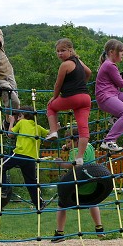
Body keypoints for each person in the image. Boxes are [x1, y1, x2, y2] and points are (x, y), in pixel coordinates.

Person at [51, 127, 104, 242]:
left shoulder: (75, 151)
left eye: (69, 142)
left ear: (77, 141)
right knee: (93, 203)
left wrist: (61, 164)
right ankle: (99, 228)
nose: (67, 144)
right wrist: (68, 147)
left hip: (78, 188)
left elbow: (75, 166)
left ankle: (59, 233)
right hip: (91, 186)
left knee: (61, 205)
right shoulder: (89, 146)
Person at [45, 38, 92, 166]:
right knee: (83, 128)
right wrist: (81, 83)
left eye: (63, 50)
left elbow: (58, 85)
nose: (60, 53)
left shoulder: (65, 65)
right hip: (85, 98)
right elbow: (89, 72)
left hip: (72, 97)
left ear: (70, 50)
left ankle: (53, 130)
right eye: (58, 51)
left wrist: (54, 97)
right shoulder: (78, 62)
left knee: (51, 107)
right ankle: (79, 158)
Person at [0, 106, 49, 209]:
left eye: (19, 116)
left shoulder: (22, 123)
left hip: (20, 153)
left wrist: (11, 122)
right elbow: (49, 136)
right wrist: (56, 128)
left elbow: (10, 134)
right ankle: (39, 203)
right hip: (31, 158)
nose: (18, 118)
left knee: (0, 166)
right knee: (31, 182)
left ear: (25, 116)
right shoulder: (38, 127)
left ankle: (2, 190)